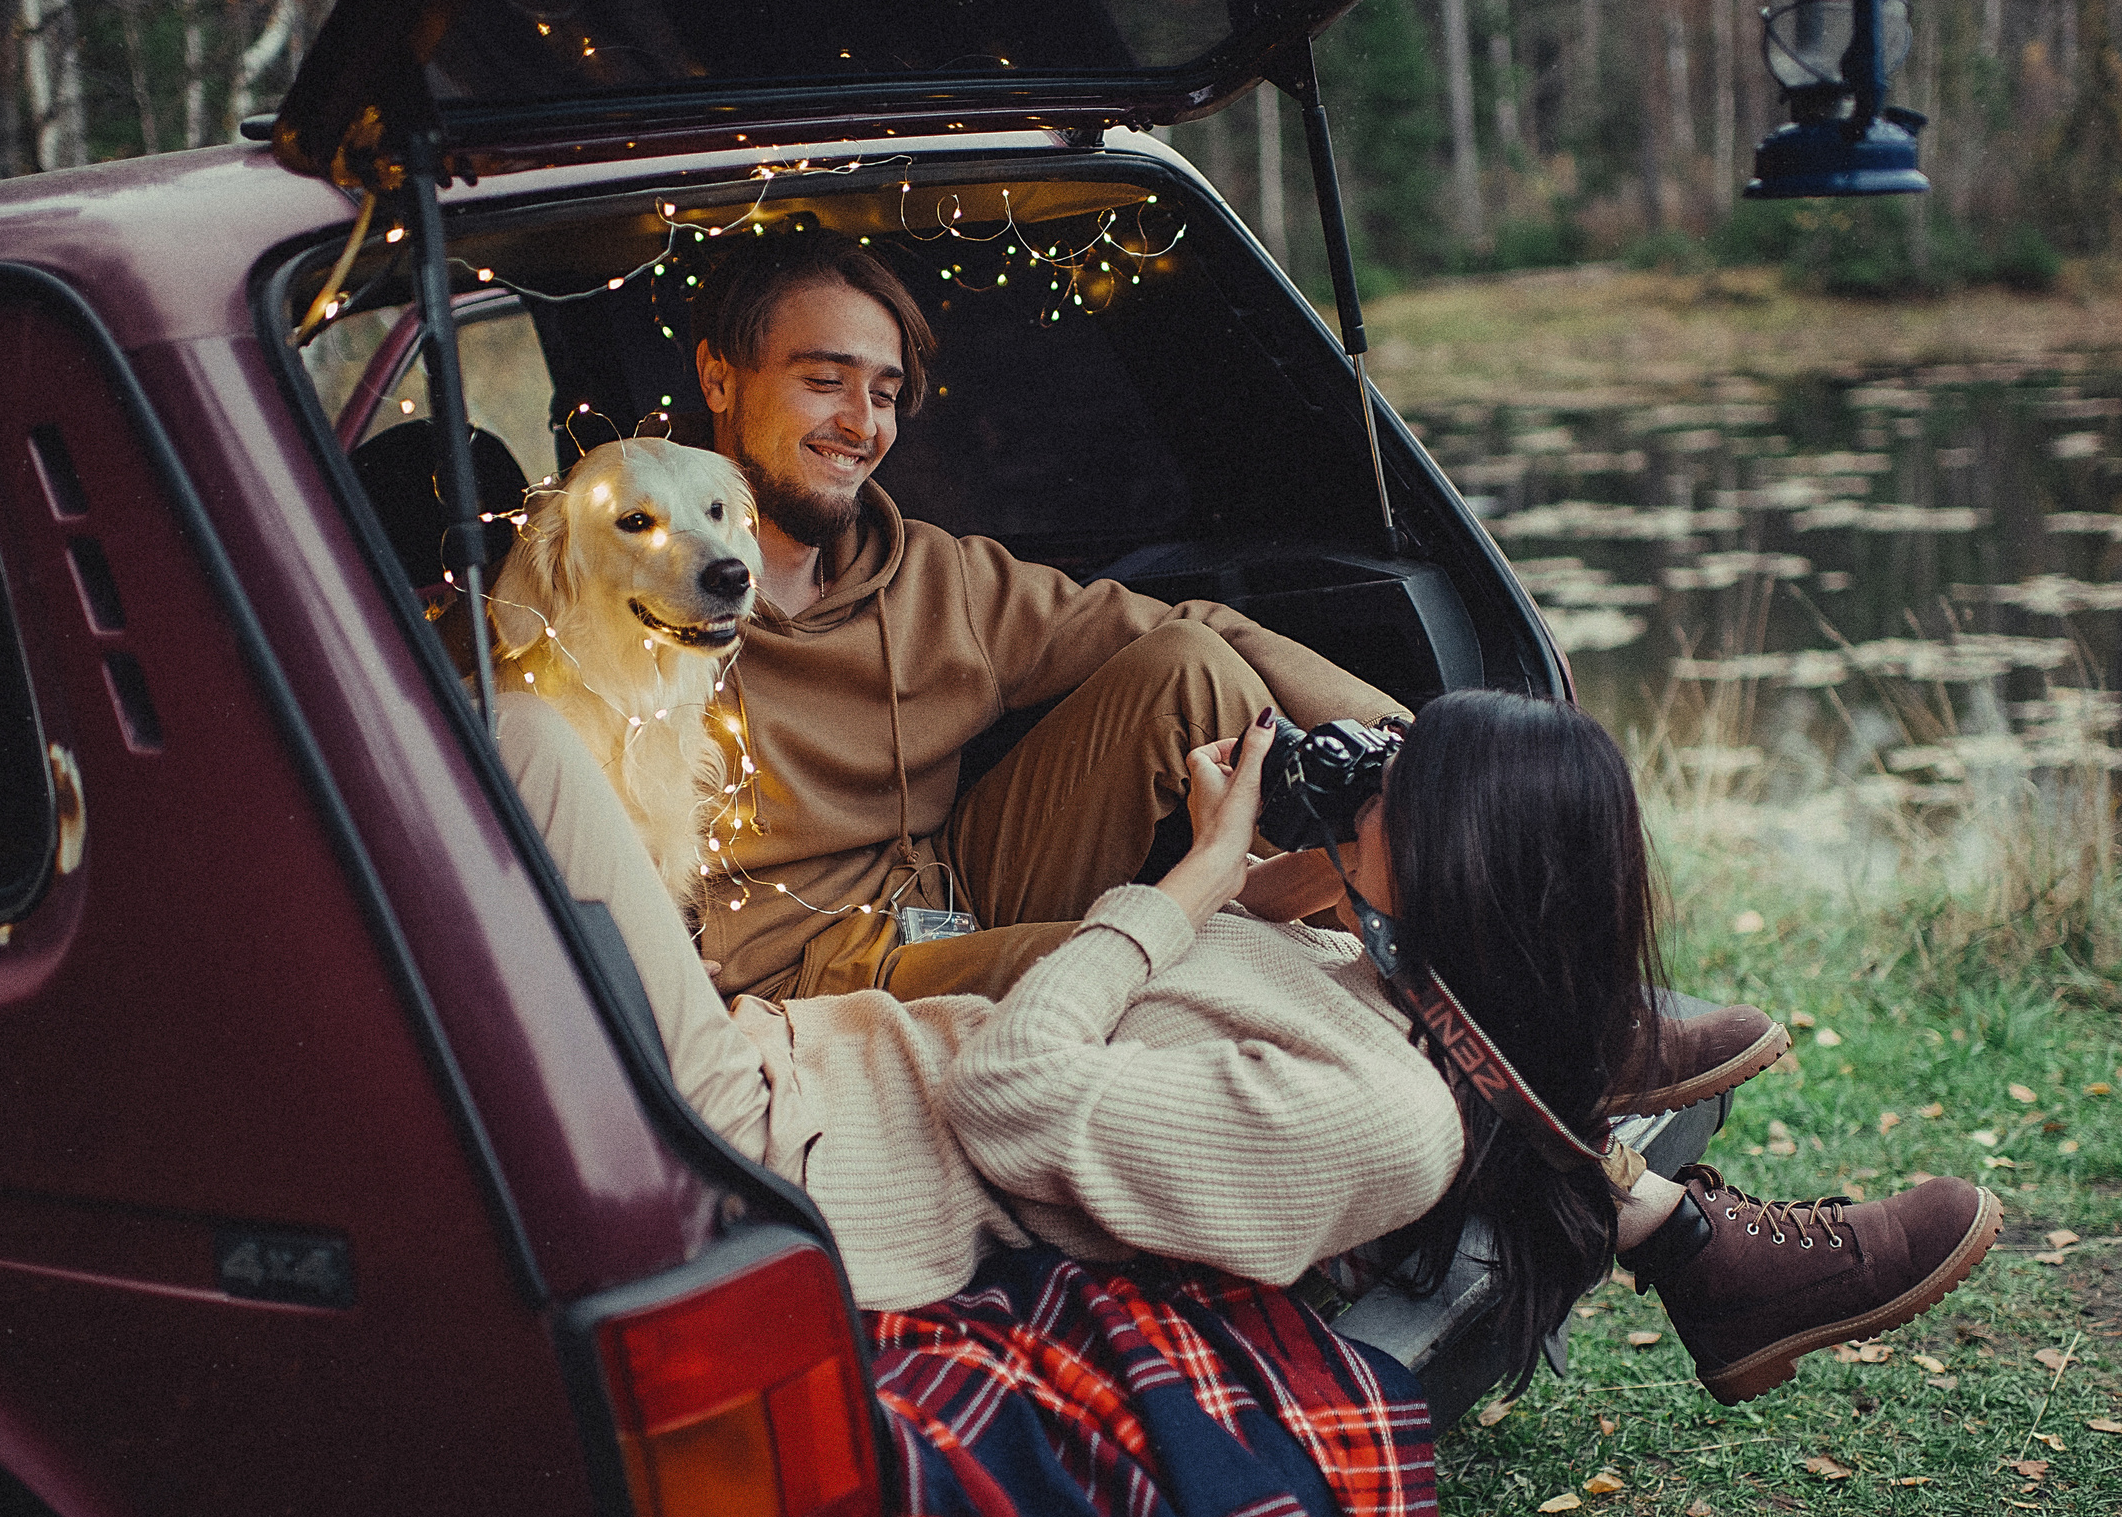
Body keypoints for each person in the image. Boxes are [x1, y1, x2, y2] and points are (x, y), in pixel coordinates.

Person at [497, 680, 2001, 1517]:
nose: (1373, 770)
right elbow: (1216, 977)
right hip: (802, 1053)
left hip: (765, 1137)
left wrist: (1191, 876)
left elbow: (1014, 1093)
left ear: (1459, 850)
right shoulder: (1371, 964)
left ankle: (1681, 1229)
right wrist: (1269, 851)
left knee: (523, 730)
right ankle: (1685, 1236)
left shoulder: (1383, 1108)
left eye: (1400, 770)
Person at [680, 226, 1787, 1103]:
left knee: (1187, 664)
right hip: (811, 966)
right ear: (720, 380)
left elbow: (1193, 623)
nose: (861, 422)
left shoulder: (928, 573)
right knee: (1182, 947)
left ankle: (1502, 985)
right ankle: (1508, 1039)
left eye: (883, 393)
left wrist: (1425, 755)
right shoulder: (629, 592)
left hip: (955, 889)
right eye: (824, 380)